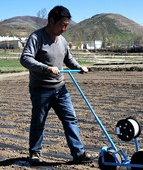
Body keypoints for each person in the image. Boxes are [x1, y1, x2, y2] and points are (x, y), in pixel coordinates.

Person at [20, 5, 97, 164]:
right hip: (41, 90)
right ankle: (35, 153)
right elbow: (25, 59)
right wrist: (46, 68)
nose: (64, 28)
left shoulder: (62, 40)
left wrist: (78, 67)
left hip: (60, 88)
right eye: (62, 24)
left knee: (70, 118)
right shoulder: (37, 37)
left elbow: (68, 58)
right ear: (51, 21)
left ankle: (78, 154)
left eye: (67, 25)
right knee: (38, 121)